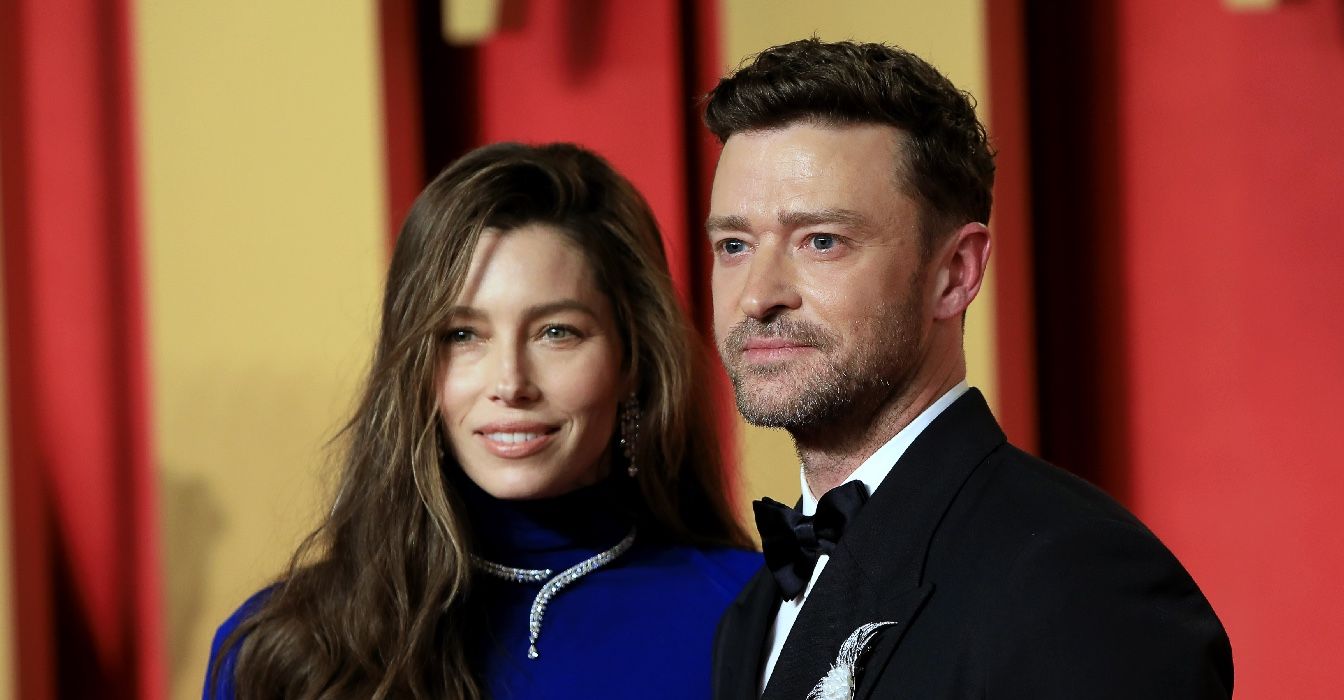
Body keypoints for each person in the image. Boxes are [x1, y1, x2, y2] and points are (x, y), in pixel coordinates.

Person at [702, 39, 1232, 699]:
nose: (758, 296)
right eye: (734, 245)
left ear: (954, 274)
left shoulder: (1079, 580)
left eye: (822, 241)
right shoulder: (749, 615)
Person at [203, 142, 760, 699]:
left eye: (556, 332)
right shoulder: (285, 649)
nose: (510, 383)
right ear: (417, 368)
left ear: (632, 361)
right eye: (463, 335)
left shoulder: (756, 615)